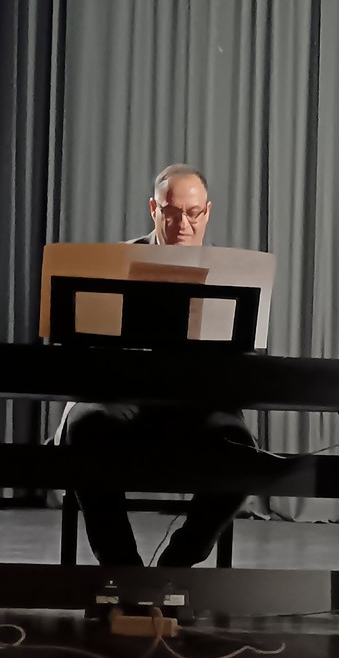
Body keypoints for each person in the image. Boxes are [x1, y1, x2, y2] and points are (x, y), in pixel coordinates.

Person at [62, 165, 255, 568]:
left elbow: (240, 364)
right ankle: (122, 570)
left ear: (208, 212)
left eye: (194, 213)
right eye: (171, 212)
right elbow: (80, 348)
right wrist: (107, 393)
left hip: (195, 409)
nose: (183, 223)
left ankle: (176, 566)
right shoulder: (112, 263)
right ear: (154, 209)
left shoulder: (232, 273)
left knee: (242, 449)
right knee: (84, 425)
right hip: (120, 402)